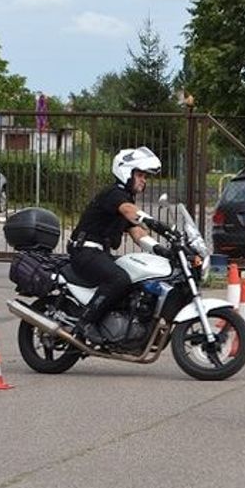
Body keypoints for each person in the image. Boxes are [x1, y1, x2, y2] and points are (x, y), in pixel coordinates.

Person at [68, 146, 171, 345]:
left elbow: (137, 232)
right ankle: (86, 322)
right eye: (140, 175)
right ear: (126, 172)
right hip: (84, 251)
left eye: (144, 176)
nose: (143, 180)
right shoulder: (115, 194)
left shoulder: (126, 199)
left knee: (133, 280)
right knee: (118, 278)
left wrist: (160, 249)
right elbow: (129, 211)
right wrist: (155, 223)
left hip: (99, 253)